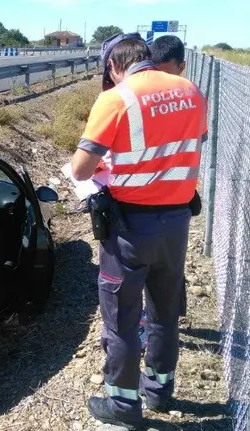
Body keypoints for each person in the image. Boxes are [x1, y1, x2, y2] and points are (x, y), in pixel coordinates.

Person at [70, 32, 207, 429]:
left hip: (130, 227)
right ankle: (160, 390)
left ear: (114, 66)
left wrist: (110, 168)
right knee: (164, 313)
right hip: (178, 222)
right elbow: (190, 142)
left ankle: (123, 406)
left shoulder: (116, 98)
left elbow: (80, 169)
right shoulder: (191, 91)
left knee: (121, 318)